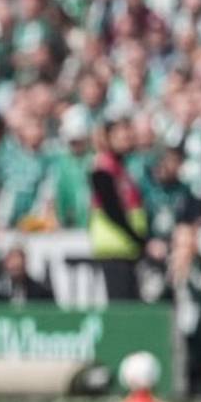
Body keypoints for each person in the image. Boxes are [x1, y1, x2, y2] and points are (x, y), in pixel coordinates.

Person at [89, 119, 148, 302]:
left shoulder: (121, 167)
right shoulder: (104, 167)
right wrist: (136, 238)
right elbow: (111, 208)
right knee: (122, 307)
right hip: (115, 246)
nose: (126, 140)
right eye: (119, 136)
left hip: (125, 248)